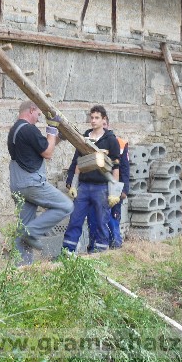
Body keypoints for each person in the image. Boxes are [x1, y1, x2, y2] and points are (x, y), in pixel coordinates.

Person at [8, 100, 73, 265]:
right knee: (66, 206)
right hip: (31, 184)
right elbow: (48, 153)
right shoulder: (29, 129)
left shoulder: (16, 129)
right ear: (31, 110)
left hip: (18, 184)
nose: (38, 118)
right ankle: (32, 232)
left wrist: (58, 137)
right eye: (38, 114)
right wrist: (52, 129)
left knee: (23, 226)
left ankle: (21, 270)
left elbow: (43, 147)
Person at [62, 105, 120, 254]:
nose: (93, 121)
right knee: (75, 220)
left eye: (97, 118)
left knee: (101, 222)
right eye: (92, 117)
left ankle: (100, 254)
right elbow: (78, 163)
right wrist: (74, 184)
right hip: (84, 186)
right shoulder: (84, 138)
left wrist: (114, 192)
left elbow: (116, 167)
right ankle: (67, 252)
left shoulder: (111, 140)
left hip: (101, 187)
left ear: (103, 120)